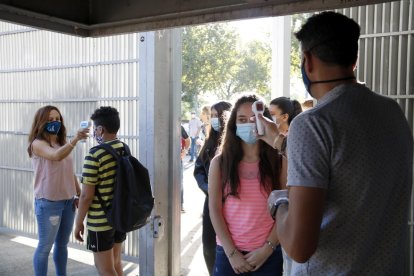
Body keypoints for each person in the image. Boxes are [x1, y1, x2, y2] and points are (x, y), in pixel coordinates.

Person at [260, 12, 413, 275]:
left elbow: (299, 247)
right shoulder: (393, 113)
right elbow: (348, 167)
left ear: (307, 61)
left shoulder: (313, 124)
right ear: (355, 59)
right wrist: (279, 141)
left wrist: (278, 204)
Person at [209, 95, 286, 276]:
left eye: (254, 119)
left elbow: (285, 209)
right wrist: (232, 253)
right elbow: (214, 208)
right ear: (233, 124)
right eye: (242, 120)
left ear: (265, 121)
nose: (248, 124)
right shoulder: (219, 163)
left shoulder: (281, 162)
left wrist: (267, 248)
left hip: (269, 254)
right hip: (228, 254)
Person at [28, 105, 88, 276]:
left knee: (62, 245)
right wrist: (75, 140)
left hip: (68, 202)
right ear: (41, 122)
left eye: (57, 119)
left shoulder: (62, 142)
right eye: (50, 119)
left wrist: (78, 193)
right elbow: (56, 156)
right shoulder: (37, 144)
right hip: (49, 203)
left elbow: (69, 171)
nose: (55, 122)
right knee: (45, 247)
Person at [74, 106, 127, 276]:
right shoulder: (124, 148)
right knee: (116, 262)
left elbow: (86, 195)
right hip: (119, 217)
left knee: (104, 268)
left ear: (100, 129)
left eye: (96, 129)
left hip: (100, 222)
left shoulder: (94, 155)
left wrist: (78, 222)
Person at [194, 101, 232, 275]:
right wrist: (210, 189)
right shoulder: (209, 141)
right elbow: (199, 169)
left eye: (218, 116)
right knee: (209, 246)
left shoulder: (235, 143)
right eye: (213, 116)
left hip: (232, 204)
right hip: (211, 202)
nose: (215, 120)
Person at [181, 125, 190, 212]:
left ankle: (180, 205)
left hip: (178, 159)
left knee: (179, 182)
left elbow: (188, 140)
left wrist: (185, 151)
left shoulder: (180, 128)